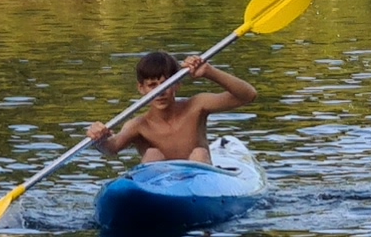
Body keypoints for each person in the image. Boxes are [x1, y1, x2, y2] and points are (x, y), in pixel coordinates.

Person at [91, 49, 256, 167]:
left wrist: (209, 72)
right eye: (152, 85)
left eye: (166, 84)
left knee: (199, 154)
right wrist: (99, 138)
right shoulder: (139, 125)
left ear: (177, 84)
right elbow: (111, 148)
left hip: (200, 184)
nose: (160, 91)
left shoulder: (196, 106)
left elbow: (247, 95)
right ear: (141, 88)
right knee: (152, 155)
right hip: (160, 186)